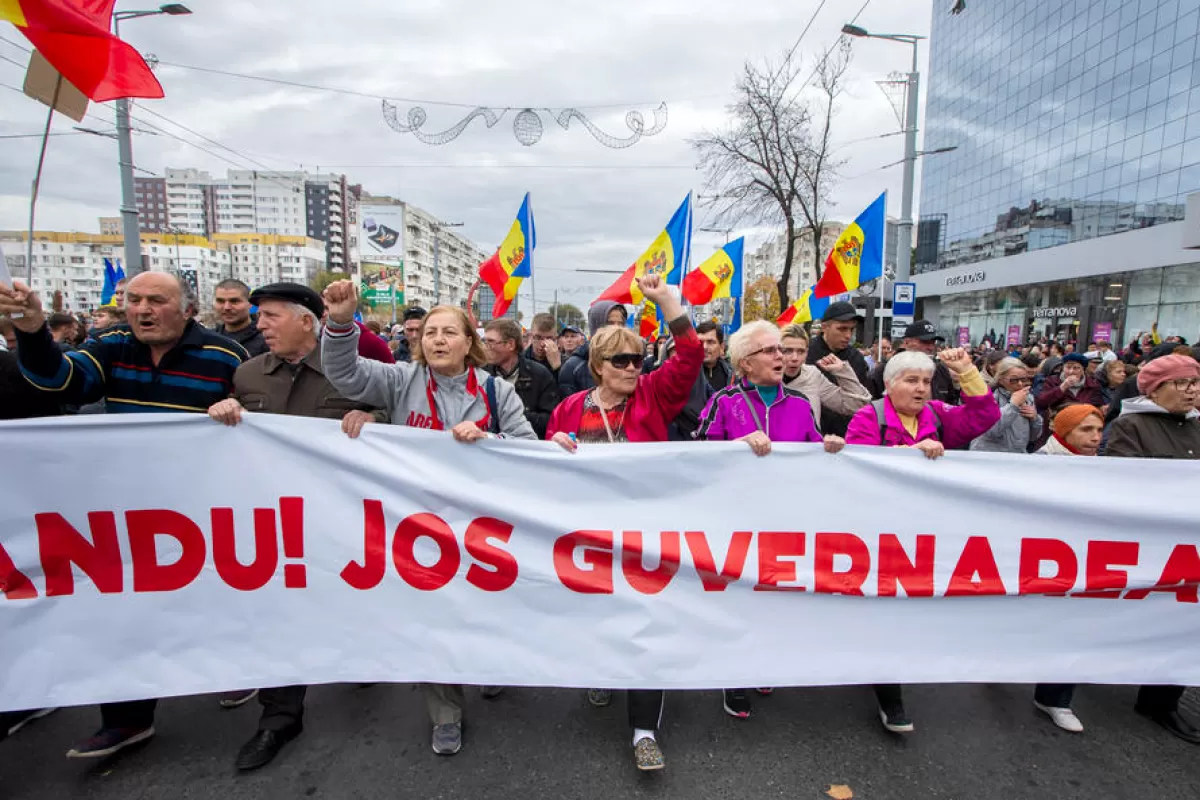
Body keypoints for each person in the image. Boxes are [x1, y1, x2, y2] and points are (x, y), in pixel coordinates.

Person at [0, 272, 248, 759]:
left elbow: (255, 411)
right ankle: (127, 719)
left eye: (157, 300)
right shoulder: (109, 345)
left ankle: (238, 668)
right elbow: (60, 381)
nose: (142, 310)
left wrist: (237, 407)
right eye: (133, 300)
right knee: (122, 606)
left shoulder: (225, 355)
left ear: (187, 310)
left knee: (214, 594)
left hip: (204, 506)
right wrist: (33, 331)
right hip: (126, 507)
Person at [320, 279, 536, 757]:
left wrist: (491, 441)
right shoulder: (400, 380)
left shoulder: (498, 392)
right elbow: (346, 376)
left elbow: (529, 447)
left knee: (483, 610)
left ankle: (489, 663)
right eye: (430, 333)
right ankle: (446, 714)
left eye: (449, 333)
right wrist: (338, 324)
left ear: (469, 342)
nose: (437, 340)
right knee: (434, 618)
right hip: (417, 526)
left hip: (483, 527)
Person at [206, 283, 385, 771]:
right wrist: (223, 414)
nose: (258, 324)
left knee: (351, 598)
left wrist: (370, 416)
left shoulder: (352, 373)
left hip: (342, 518)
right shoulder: (246, 375)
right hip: (274, 523)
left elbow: (391, 423)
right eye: (258, 316)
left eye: (269, 316)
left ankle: (363, 653)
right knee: (279, 613)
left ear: (307, 320)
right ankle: (279, 718)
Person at [546, 275, 700, 772]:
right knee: (597, 617)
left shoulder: (653, 395)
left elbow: (690, 358)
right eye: (621, 361)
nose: (634, 368)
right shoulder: (571, 407)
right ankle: (602, 670)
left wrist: (669, 305)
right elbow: (547, 464)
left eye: (637, 359)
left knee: (645, 627)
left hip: (644, 534)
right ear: (597, 367)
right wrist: (557, 447)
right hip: (588, 535)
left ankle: (644, 731)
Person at [695, 320, 845, 720]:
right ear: (745, 363)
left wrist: (829, 446)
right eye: (770, 351)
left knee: (773, 596)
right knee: (737, 598)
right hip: (735, 520)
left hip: (784, 520)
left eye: (782, 350)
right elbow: (697, 459)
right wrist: (735, 446)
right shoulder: (724, 402)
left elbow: (814, 448)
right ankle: (733, 676)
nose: (781, 356)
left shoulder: (798, 403)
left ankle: (762, 662)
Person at [845, 348, 1000, 733]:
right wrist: (908, 456)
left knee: (907, 608)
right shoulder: (869, 417)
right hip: (879, 530)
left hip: (926, 529)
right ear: (889, 385)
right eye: (911, 381)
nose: (921, 389)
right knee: (885, 608)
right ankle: (890, 696)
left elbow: (985, 416)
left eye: (927, 382)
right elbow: (857, 466)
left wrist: (966, 371)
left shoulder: (938, 416)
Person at [1104, 354, 1200, 744]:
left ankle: (1161, 701)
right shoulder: (1130, 426)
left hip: (1190, 547)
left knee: (1183, 623)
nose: (1191, 389)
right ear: (1154, 388)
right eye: (1181, 383)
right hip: (1150, 543)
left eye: (1195, 382)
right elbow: (1120, 484)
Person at [779, 324, 870, 430]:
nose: (795, 358)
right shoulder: (763, 378)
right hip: (772, 445)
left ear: (807, 352)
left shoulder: (812, 375)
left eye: (801, 351)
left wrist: (842, 371)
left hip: (808, 444)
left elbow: (856, 405)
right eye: (787, 351)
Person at [483, 317, 561, 438]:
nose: (485, 347)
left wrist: (513, 413)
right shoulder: (482, 375)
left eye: (491, 342)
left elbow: (550, 420)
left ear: (510, 344)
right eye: (484, 341)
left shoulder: (540, 375)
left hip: (526, 448)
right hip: (489, 449)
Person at [806, 302, 871, 436]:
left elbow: (863, 399)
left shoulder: (856, 358)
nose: (848, 335)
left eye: (851, 329)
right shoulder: (806, 354)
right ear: (825, 327)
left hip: (847, 436)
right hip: (813, 434)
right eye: (842, 329)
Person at [970, 358, 1042, 453]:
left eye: (1024, 379)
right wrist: (1013, 406)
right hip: (989, 455)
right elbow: (991, 432)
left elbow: (1033, 437)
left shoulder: (1028, 398)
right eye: (1014, 380)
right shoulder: (988, 398)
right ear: (1000, 380)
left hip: (1016, 456)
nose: (1020, 384)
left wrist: (1035, 419)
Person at [558, 300, 628, 396]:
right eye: (610, 323)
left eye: (620, 324)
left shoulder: (632, 363)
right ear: (596, 326)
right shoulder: (574, 367)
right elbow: (569, 408)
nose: (617, 329)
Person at [1035, 353, 1105, 417]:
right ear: (1063, 368)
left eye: (1076, 368)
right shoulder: (1052, 381)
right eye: (1068, 367)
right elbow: (1041, 402)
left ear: (1083, 370)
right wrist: (1062, 388)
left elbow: (1097, 407)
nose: (1071, 371)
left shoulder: (1092, 385)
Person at [213, 279, 268, 357]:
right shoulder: (208, 339)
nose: (226, 307)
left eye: (234, 301)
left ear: (250, 303)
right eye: (221, 301)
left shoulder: (267, 340)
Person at [695, 321, 733, 392]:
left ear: (722, 348)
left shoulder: (733, 375)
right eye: (700, 342)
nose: (704, 347)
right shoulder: (687, 374)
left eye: (710, 342)